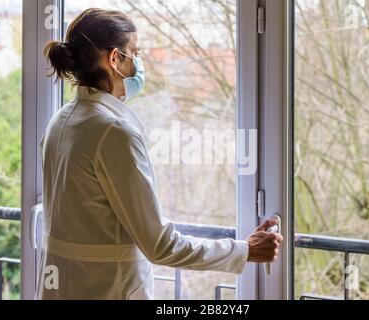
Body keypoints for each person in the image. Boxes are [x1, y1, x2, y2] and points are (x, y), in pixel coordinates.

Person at [37, 8, 283, 300]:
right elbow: (161, 246)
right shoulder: (114, 132)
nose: (139, 63)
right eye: (135, 52)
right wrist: (243, 250)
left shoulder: (61, 121)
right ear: (115, 59)